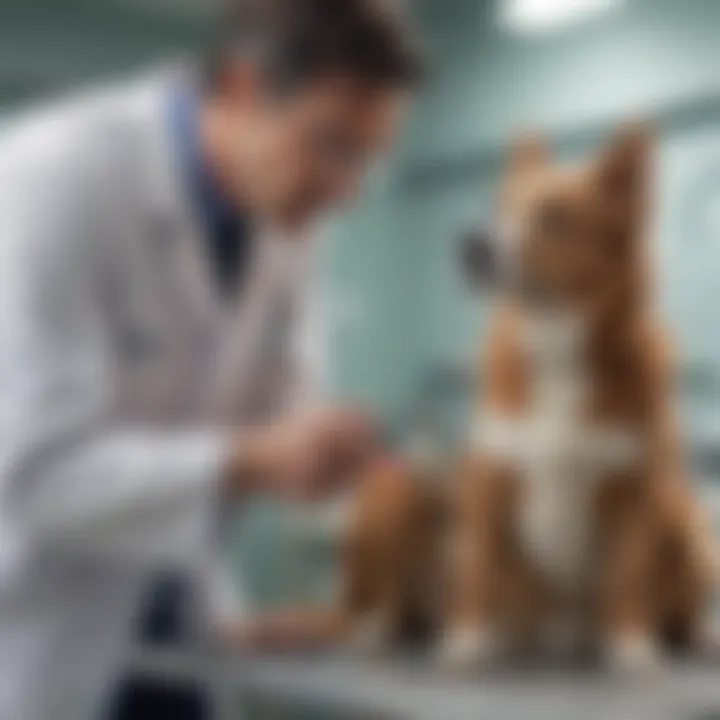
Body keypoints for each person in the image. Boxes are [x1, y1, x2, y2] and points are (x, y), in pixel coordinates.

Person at [0, 0, 424, 717]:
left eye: (367, 162)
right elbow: (33, 470)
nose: (345, 191)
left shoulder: (285, 213)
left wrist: (328, 458)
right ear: (241, 88)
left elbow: (286, 410)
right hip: (34, 637)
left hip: (182, 626)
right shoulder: (54, 176)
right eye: (332, 147)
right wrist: (250, 460)